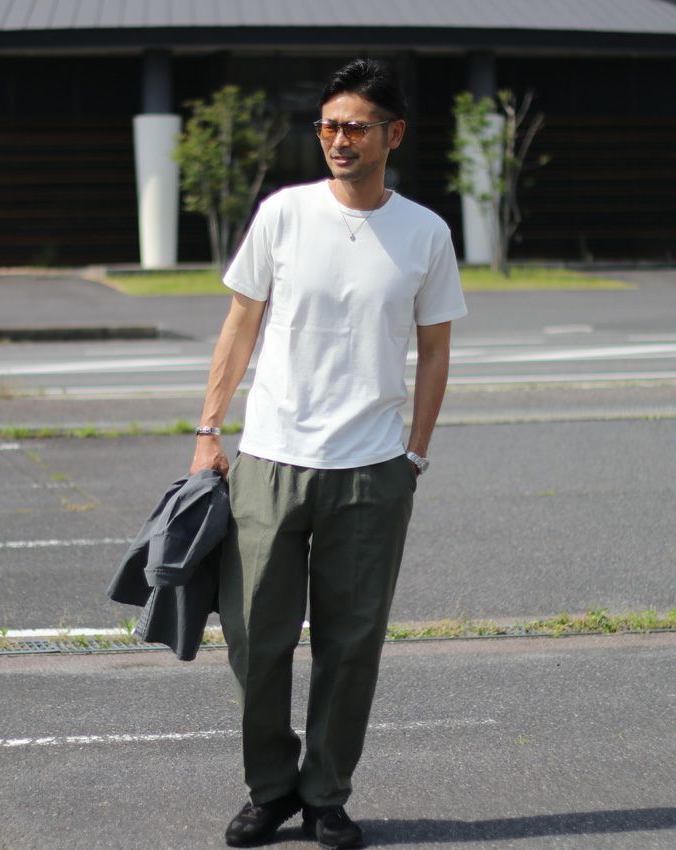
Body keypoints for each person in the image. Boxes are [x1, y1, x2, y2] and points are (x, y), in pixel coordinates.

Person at [189, 58, 467, 850]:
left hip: (372, 471)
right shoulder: (284, 214)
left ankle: (326, 796)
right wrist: (208, 432)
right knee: (255, 638)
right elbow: (240, 324)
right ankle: (271, 788)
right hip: (270, 459)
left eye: (355, 128)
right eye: (328, 126)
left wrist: (414, 456)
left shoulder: (425, 233)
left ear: (393, 135)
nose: (339, 140)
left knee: (351, 646)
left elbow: (435, 352)